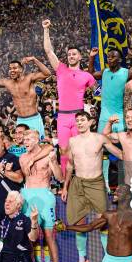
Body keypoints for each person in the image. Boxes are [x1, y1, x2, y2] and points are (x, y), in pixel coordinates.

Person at [61, 111, 123, 262]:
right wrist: (65, 187)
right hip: (78, 183)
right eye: (77, 121)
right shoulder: (72, 141)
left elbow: (120, 154)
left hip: (96, 183)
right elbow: (69, 167)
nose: (79, 123)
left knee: (102, 221)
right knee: (78, 221)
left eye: (82, 120)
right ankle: (82, 261)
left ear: (91, 122)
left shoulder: (99, 138)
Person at [43, 19, 96, 176]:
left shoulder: (86, 75)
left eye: (74, 54)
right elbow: (48, 51)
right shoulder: (61, 69)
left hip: (79, 116)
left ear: (80, 57)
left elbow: (99, 92)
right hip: (63, 117)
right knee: (64, 150)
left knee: (81, 150)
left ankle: (83, 178)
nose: (71, 56)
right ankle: (67, 182)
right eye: (69, 54)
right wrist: (46, 30)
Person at [19, 130, 63, 262]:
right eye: (24, 139)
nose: (26, 141)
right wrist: (36, 157)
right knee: (32, 235)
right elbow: (26, 171)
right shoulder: (23, 157)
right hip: (28, 196)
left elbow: (60, 177)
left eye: (29, 138)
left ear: (37, 139)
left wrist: (54, 162)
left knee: (49, 234)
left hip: (45, 194)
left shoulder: (49, 154)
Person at [0, 57, 51, 138]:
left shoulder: (29, 78)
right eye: (10, 68)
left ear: (21, 69)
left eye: (14, 68)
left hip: (34, 119)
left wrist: (34, 60)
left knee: (38, 144)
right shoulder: (7, 82)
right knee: (22, 146)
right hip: (20, 120)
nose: (12, 70)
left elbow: (47, 73)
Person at [87, 48, 129, 133]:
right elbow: (91, 74)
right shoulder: (104, 72)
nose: (109, 58)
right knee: (102, 141)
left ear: (120, 59)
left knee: (119, 142)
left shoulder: (127, 73)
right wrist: (92, 57)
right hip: (104, 116)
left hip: (119, 115)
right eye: (108, 56)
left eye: (113, 56)